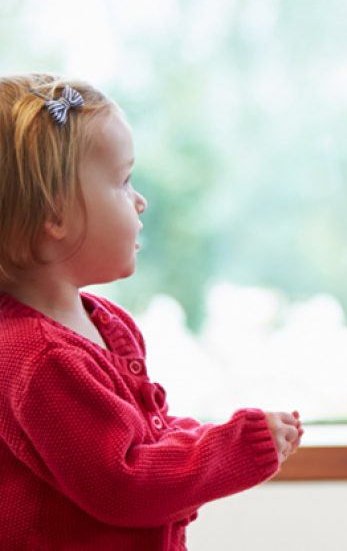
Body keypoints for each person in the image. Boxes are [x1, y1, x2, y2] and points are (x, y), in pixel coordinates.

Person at [0, 74, 305, 550]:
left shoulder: (103, 321)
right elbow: (123, 483)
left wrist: (209, 436)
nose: (140, 200)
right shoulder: (39, 360)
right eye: (122, 182)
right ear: (54, 214)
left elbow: (145, 438)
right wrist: (233, 449)